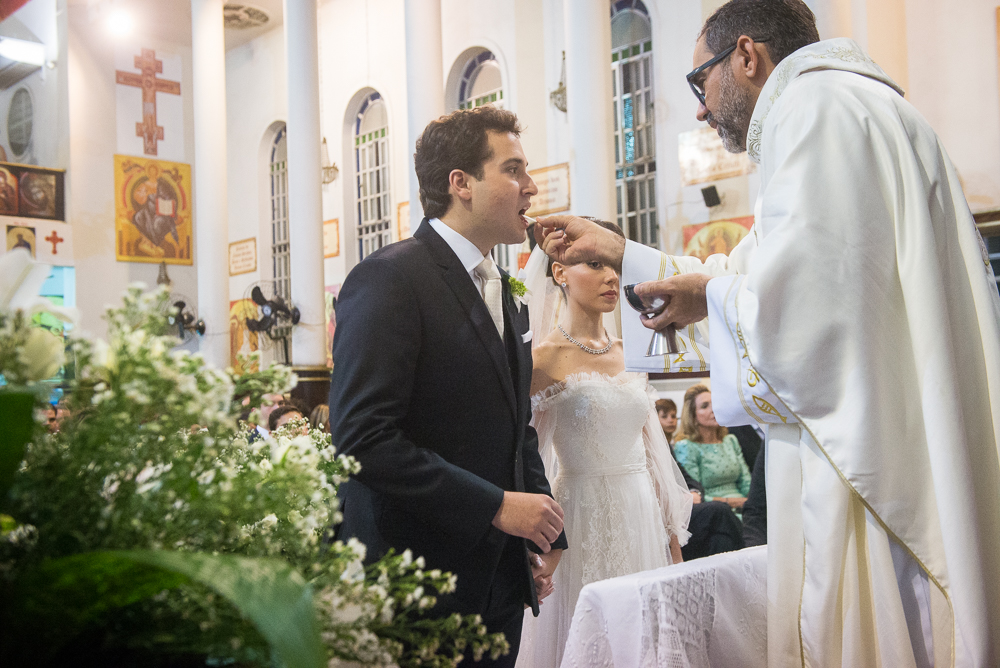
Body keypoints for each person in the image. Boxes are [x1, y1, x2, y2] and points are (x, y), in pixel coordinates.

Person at [538, 0, 1000, 664]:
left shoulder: (812, 115)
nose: (699, 109)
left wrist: (711, 295)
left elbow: (805, 318)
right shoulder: (849, 106)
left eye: (701, 82)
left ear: (746, 57)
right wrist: (625, 252)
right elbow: (759, 273)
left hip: (868, 464)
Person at [330, 106, 565, 668]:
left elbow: (515, 423)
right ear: (460, 183)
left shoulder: (500, 289)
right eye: (513, 170)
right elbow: (363, 438)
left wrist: (543, 530)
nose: (531, 186)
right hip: (418, 578)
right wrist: (496, 506)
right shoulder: (390, 278)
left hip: (498, 582)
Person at [516, 221, 690, 668]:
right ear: (559, 273)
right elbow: (524, 454)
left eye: (614, 266)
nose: (612, 277)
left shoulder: (631, 349)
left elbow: (652, 450)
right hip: (580, 514)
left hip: (641, 514)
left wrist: (671, 538)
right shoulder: (542, 360)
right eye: (594, 265)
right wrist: (538, 545)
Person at [672, 384, 750, 515]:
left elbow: (746, 482)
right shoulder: (686, 446)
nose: (713, 409)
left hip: (744, 505)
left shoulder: (730, 440)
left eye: (715, 403)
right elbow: (695, 494)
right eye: (704, 406)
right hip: (713, 511)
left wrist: (751, 503)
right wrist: (732, 502)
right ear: (693, 416)